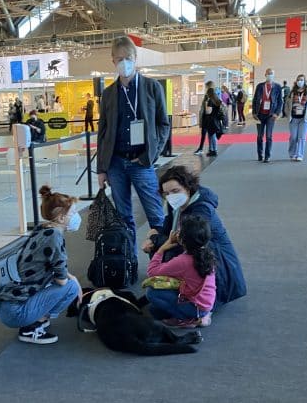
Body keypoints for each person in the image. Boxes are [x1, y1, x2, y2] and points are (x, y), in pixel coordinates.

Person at [96, 35, 169, 253]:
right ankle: (130, 261)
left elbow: (163, 124)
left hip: (142, 161)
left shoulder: (151, 87)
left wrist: (150, 155)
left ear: (135, 58)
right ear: (113, 61)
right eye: (119, 59)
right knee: (124, 217)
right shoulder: (108, 94)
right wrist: (102, 169)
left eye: (127, 58)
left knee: (156, 216)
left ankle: (163, 264)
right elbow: (103, 132)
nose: (124, 63)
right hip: (116, 163)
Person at [142, 165, 246, 307]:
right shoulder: (177, 203)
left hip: (215, 260)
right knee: (157, 245)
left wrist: (155, 239)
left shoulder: (202, 208)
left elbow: (186, 238)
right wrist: (153, 237)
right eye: (166, 193)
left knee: (161, 250)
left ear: (188, 187)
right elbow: (167, 229)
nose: (170, 196)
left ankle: (202, 305)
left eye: (175, 191)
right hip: (192, 251)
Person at [0, 185, 82, 344]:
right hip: (15, 313)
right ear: (61, 218)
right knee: (71, 288)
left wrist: (70, 275)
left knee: (62, 281)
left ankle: (34, 318)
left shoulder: (42, 229)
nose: (76, 216)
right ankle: (32, 326)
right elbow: (61, 280)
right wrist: (73, 280)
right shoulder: (55, 237)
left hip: (6, 305)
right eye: (73, 213)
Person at [145, 214, 216, 328]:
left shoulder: (183, 261)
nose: (176, 232)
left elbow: (152, 271)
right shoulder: (207, 253)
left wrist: (163, 247)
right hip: (207, 303)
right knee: (154, 310)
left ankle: (189, 320)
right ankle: (203, 315)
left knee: (152, 293)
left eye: (179, 231)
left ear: (182, 240)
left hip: (196, 307)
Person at [252, 67, 282, 162]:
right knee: (260, 136)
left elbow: (280, 101)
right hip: (260, 114)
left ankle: (267, 156)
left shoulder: (277, 87)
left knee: (269, 136)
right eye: (268, 73)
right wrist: (254, 112)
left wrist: (276, 113)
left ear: (274, 75)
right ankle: (260, 154)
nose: (270, 75)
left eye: (271, 73)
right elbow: (255, 100)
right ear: (265, 75)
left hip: (270, 115)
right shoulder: (260, 86)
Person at [285, 74, 307, 162]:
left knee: (302, 137)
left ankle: (300, 154)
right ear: (296, 81)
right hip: (293, 118)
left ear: (305, 81)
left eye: (301, 80)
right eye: (298, 80)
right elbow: (286, 104)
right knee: (293, 137)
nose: (300, 81)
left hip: (304, 119)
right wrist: (288, 114)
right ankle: (292, 154)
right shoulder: (292, 92)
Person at [198, 81, 223, 157]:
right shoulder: (217, 100)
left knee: (212, 136)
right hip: (216, 120)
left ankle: (213, 150)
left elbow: (208, 111)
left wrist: (205, 105)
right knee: (212, 135)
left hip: (211, 121)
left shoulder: (210, 101)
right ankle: (212, 150)